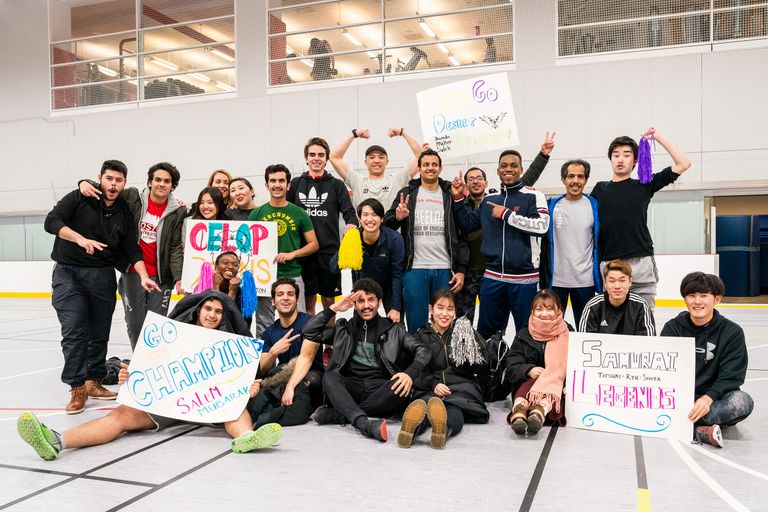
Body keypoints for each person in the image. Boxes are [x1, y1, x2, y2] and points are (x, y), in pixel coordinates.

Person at [17, 292, 284, 460]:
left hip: (209, 403)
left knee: (236, 409)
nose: (212, 315)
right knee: (120, 416)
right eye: (208, 309)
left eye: (218, 311)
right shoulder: (171, 336)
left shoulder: (232, 344)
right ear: (198, 310)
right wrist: (130, 376)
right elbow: (148, 366)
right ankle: (57, 441)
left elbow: (244, 379)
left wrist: (248, 389)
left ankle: (246, 438)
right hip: (168, 401)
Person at [45, 160, 159, 414]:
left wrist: (143, 275)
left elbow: (131, 248)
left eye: (119, 180)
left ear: (124, 183)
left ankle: (93, 381)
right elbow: (51, 221)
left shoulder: (123, 212)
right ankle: (77, 387)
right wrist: (79, 239)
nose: (113, 185)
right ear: (100, 178)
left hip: (102, 275)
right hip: (68, 273)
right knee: (74, 330)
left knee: (99, 332)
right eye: (109, 179)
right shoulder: (80, 197)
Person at [282, 278, 431, 442]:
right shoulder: (343, 328)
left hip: (381, 389)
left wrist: (409, 374)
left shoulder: (394, 330)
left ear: (379, 302)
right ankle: (363, 423)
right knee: (330, 377)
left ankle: (341, 415)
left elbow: (423, 350)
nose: (366, 305)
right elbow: (310, 332)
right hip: (350, 388)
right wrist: (334, 308)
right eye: (361, 301)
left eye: (371, 300)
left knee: (401, 386)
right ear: (354, 304)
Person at [451, 140, 554, 339]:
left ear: (521, 169)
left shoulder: (534, 196)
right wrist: (457, 199)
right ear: (498, 171)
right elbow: (468, 224)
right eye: (504, 166)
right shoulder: (489, 200)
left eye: (514, 165)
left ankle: (523, 361)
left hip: (524, 278)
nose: (509, 169)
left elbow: (542, 227)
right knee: (488, 335)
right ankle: (492, 361)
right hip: (492, 277)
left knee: (527, 332)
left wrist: (507, 214)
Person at [79, 162, 187, 350]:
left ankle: (152, 362)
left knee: (157, 324)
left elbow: (175, 247)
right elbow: (109, 188)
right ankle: (138, 360)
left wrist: (178, 277)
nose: (161, 184)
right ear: (150, 182)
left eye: (167, 181)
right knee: (135, 322)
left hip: (162, 277)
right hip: (132, 271)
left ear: (172, 185)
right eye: (158, 179)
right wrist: (84, 182)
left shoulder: (178, 211)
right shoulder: (132, 197)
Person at [591, 127, 691, 311]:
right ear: (610, 159)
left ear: (635, 160)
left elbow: (683, 164)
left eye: (626, 155)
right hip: (610, 264)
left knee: (644, 318)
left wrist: (658, 137)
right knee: (614, 319)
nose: (620, 159)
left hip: (641, 263)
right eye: (616, 155)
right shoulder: (599, 189)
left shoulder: (644, 185)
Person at [660, 272, 754, 448]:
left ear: (717, 299)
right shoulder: (672, 328)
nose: (697, 301)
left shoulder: (732, 332)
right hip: (678, 399)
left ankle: (682, 424)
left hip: (713, 400)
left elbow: (732, 377)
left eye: (704, 295)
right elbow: (663, 371)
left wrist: (708, 398)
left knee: (742, 401)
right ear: (685, 299)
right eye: (691, 296)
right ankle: (699, 430)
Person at [385, 149, 469, 334]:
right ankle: (417, 352)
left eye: (434, 164)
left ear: (440, 168)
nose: (430, 168)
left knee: (444, 322)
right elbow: (387, 224)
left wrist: (461, 270)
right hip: (414, 267)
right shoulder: (407, 193)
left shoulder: (450, 193)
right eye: (426, 164)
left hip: (444, 268)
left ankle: (442, 352)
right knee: (416, 325)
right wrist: (398, 217)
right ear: (419, 168)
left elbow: (462, 233)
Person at [398, 289, 489, 449]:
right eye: (440, 308)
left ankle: (443, 431)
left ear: (455, 312)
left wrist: (469, 354)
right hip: (430, 388)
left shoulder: (464, 332)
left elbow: (484, 362)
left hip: (461, 386)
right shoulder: (420, 336)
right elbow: (413, 371)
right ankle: (411, 429)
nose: (445, 314)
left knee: (456, 409)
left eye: (450, 309)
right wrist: (433, 384)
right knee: (425, 407)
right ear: (431, 309)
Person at [288, 137, 358, 315]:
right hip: (304, 252)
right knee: (308, 300)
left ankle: (329, 335)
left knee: (329, 302)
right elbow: (284, 210)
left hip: (329, 252)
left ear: (326, 159)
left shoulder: (336, 185)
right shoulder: (295, 184)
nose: (316, 158)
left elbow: (349, 211)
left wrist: (352, 224)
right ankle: (312, 334)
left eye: (321, 155)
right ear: (306, 158)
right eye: (312, 155)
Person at [249, 164, 319, 336]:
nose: (277, 185)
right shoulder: (256, 214)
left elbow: (313, 244)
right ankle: (266, 353)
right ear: (266, 185)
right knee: (263, 324)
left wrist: (292, 254)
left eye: (281, 181)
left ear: (288, 185)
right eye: (272, 181)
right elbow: (248, 247)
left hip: (292, 274)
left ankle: (299, 354)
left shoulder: (299, 213)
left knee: (299, 322)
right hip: (264, 277)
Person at [503, 290, 571, 436]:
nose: (544, 314)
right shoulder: (523, 334)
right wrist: (528, 370)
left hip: (556, 386)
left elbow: (575, 365)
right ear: (532, 311)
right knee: (528, 386)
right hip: (527, 383)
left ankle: (539, 412)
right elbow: (511, 366)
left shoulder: (569, 333)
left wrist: (569, 384)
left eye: (549, 309)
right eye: (539, 309)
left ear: (559, 310)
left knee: (552, 391)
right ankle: (519, 412)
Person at [542, 159, 601, 327]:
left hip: (585, 281)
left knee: (585, 328)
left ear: (586, 180)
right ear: (563, 179)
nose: (576, 181)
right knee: (552, 328)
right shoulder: (551, 206)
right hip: (556, 281)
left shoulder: (594, 205)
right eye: (571, 176)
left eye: (580, 176)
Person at [330, 198, 405, 323]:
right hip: (362, 289)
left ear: (382, 218)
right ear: (359, 219)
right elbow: (333, 268)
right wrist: (346, 242)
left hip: (389, 288)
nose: (369, 219)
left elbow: (398, 274)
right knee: (359, 329)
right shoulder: (354, 237)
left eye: (374, 215)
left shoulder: (395, 239)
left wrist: (396, 308)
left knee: (397, 326)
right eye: (365, 215)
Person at [259, 278, 323, 406]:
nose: (285, 298)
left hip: (309, 374)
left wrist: (290, 386)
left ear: (297, 300)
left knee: (313, 379)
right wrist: (273, 352)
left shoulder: (310, 323)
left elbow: (307, 358)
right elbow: (262, 370)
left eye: (290, 294)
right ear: (273, 301)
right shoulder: (269, 333)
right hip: (284, 374)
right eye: (280, 294)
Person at [329, 127, 423, 208]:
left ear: (387, 162)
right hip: (363, 225)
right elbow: (334, 157)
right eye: (372, 157)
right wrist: (354, 134)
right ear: (365, 162)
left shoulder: (396, 180)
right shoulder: (357, 181)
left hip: (390, 224)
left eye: (381, 157)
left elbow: (421, 157)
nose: (376, 161)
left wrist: (402, 132)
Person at [579, 259, 656, 335]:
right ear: (605, 283)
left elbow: (649, 340)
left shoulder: (641, 306)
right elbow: (584, 340)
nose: (617, 286)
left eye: (622, 281)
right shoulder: (593, 306)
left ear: (630, 282)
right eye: (612, 281)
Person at [455, 167, 488, 321]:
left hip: (491, 272)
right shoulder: (458, 206)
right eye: (471, 179)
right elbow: (459, 237)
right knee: (463, 321)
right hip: (467, 272)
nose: (475, 181)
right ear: (466, 185)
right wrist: (460, 268)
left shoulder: (495, 201)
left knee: (491, 319)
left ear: (486, 183)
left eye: (479, 178)